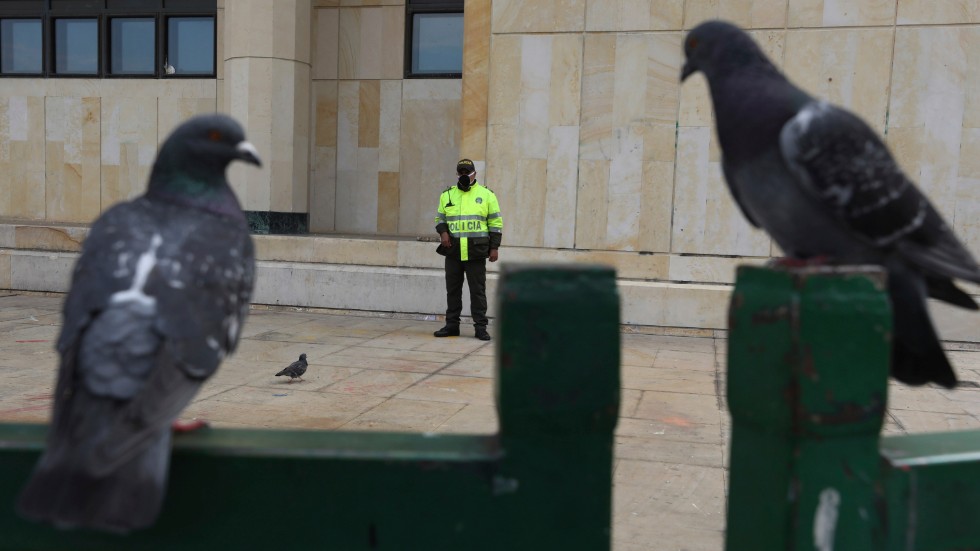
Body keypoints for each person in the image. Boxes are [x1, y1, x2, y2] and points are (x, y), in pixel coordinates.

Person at [433, 159, 502, 341]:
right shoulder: (447, 195)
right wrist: (443, 232)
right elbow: (439, 218)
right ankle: (452, 325)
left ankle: (480, 327)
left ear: (474, 174)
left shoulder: (487, 195)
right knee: (453, 290)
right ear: (457, 174)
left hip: (475, 252)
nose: (464, 175)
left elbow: (495, 223)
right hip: (453, 251)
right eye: (461, 172)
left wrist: (494, 247)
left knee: (477, 291)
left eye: (468, 172)